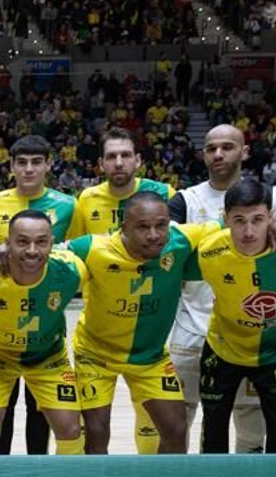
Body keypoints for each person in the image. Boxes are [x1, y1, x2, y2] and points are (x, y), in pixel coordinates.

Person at [168, 125, 276, 454]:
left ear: (244, 152)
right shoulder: (185, 199)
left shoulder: (275, 197)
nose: (218, 154)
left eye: (227, 147)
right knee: (180, 419)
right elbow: (166, 246)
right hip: (192, 329)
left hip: (255, 333)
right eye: (211, 148)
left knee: (251, 420)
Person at [187, 178, 276, 454]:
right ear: (225, 218)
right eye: (239, 220)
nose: (249, 231)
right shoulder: (208, 250)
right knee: (214, 428)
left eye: (258, 220)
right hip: (223, 348)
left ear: (270, 217)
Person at [68, 193, 217, 455]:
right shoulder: (93, 248)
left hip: (150, 357)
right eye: (143, 227)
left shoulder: (180, 240)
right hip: (95, 355)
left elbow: (229, 224)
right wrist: (6, 248)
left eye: (161, 225)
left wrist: (275, 221)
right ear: (124, 228)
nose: (154, 235)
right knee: (96, 431)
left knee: (176, 429)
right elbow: (49, 251)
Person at [0, 134, 77, 455]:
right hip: (0, 320)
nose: (29, 169)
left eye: (36, 162)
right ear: (10, 166)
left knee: (41, 410)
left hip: (45, 321)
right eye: (21, 162)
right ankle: (2, 468)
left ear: (49, 165)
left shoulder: (68, 205)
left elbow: (76, 254)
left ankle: (37, 467)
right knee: (1, 410)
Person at [0, 209, 85, 455]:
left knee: (71, 428)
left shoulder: (72, 270)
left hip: (48, 358)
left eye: (41, 242)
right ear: (7, 243)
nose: (32, 250)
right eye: (22, 242)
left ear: (52, 244)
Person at [70, 127, 175, 239]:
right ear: (101, 164)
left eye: (125, 155)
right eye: (111, 157)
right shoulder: (87, 198)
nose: (118, 163)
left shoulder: (164, 194)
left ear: (137, 161)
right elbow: (78, 245)